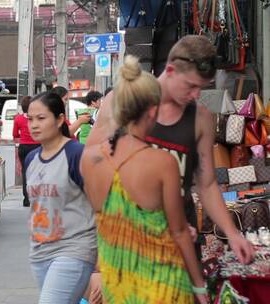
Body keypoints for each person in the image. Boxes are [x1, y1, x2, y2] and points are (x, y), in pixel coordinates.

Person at [85, 35, 254, 264]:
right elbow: (90, 165)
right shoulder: (122, 101)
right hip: (127, 244)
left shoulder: (200, 118)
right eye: (191, 86)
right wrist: (95, 265)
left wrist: (233, 234)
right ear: (171, 70)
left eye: (201, 89)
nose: (195, 95)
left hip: (180, 243)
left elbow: (207, 184)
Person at [82, 55, 207, 303]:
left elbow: (105, 223)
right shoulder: (162, 163)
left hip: (117, 287)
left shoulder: (89, 159)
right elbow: (179, 231)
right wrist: (200, 289)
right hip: (162, 286)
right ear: (152, 111)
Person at [25, 92, 97, 304]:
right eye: (30, 119)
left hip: (75, 250)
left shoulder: (76, 154)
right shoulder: (31, 159)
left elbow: (102, 207)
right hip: (40, 252)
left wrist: (100, 268)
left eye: (41, 118)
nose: (34, 125)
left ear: (59, 119)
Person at [12, 96, 40, 207]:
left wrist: (22, 135)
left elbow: (15, 135)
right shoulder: (37, 118)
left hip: (24, 147)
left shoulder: (18, 119)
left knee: (25, 172)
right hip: (37, 146)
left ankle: (26, 198)